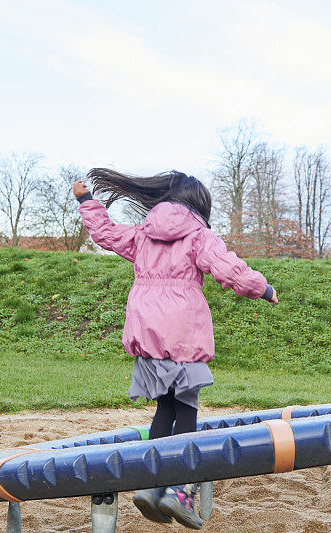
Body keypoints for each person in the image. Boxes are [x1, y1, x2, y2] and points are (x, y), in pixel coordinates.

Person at [74, 169, 278, 529]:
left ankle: (151, 485)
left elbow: (105, 234)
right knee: (186, 409)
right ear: (199, 204)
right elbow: (226, 268)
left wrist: (86, 201)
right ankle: (179, 490)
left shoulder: (143, 234)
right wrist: (261, 288)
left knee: (164, 408)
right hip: (183, 330)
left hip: (147, 328)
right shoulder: (199, 235)